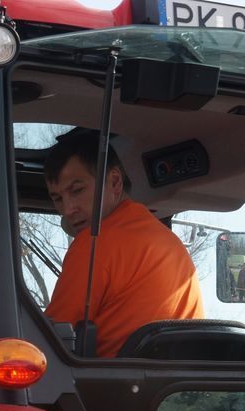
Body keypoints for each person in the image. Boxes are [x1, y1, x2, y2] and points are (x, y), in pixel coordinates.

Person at [43, 132, 204, 358]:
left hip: (110, 391)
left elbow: (47, 344)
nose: (68, 209)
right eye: (58, 198)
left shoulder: (95, 242)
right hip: (176, 390)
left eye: (77, 190)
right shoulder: (171, 243)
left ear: (115, 181)